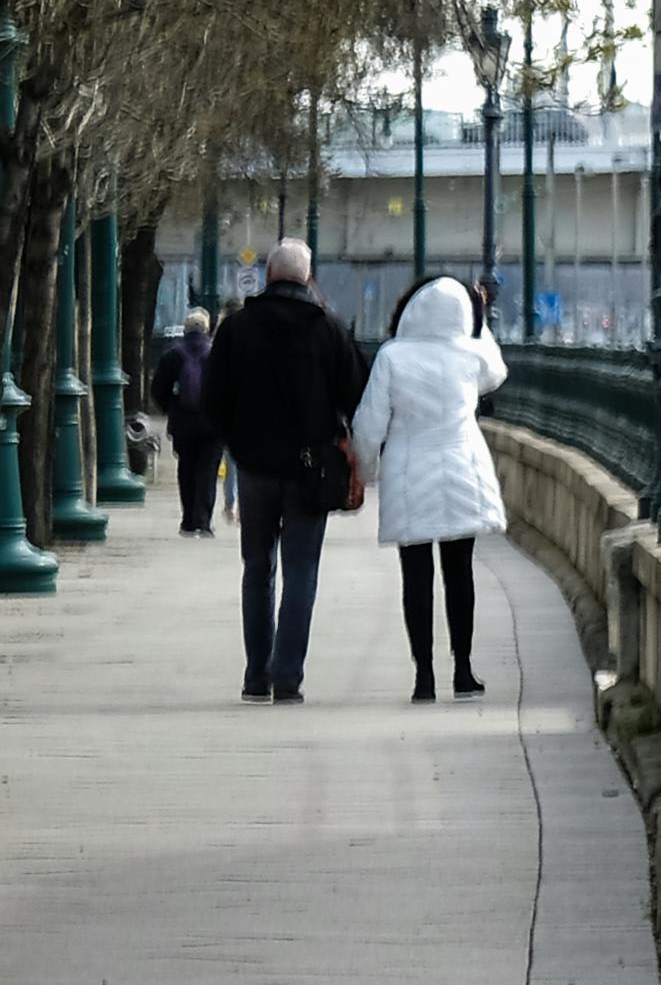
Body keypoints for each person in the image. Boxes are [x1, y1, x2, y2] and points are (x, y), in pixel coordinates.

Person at [203, 241, 360, 703]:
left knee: (257, 569)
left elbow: (213, 399)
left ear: (268, 276)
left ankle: (256, 674)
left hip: (253, 467)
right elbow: (356, 395)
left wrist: (236, 440)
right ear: (308, 278)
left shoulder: (237, 329)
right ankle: (287, 676)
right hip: (310, 469)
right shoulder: (328, 329)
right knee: (301, 571)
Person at [354, 276, 507, 701]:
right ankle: (463, 669)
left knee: (416, 577)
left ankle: (423, 674)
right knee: (461, 574)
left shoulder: (393, 357)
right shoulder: (471, 354)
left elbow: (369, 425)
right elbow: (497, 371)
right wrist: (482, 323)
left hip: (408, 469)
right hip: (462, 467)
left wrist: (364, 472)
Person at [151, 304, 217, 535]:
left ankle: (188, 520)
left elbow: (158, 389)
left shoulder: (172, 356)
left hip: (183, 423)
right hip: (213, 425)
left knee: (186, 470)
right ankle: (204, 521)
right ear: (208, 329)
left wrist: (171, 408)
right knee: (207, 472)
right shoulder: (216, 355)